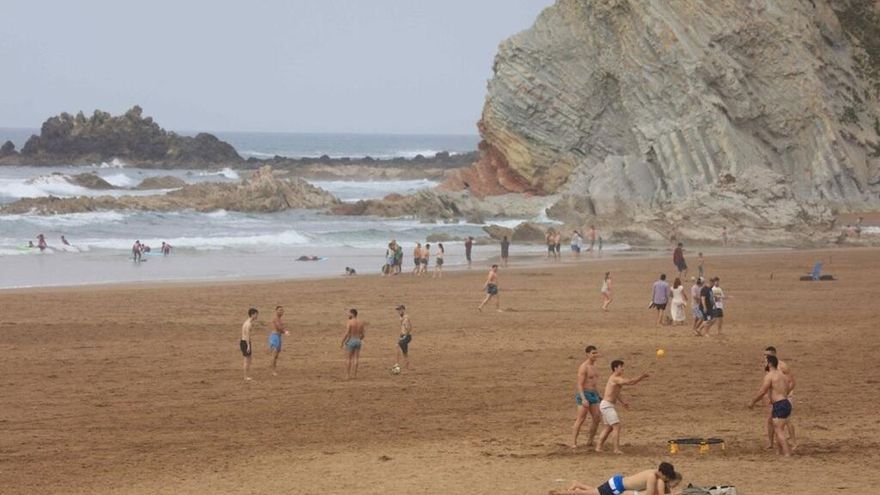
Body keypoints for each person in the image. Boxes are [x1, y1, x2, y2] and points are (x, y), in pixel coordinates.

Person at [595, 360, 649, 454]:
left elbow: (616, 393)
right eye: (621, 367)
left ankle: (598, 447)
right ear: (615, 368)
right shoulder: (615, 378)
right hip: (607, 405)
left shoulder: (616, 379)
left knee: (608, 427)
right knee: (616, 426)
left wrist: (623, 402)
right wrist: (642, 376)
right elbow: (630, 382)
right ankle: (616, 449)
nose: (623, 368)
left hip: (606, 405)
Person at [749, 355, 793, 456]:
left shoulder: (770, 375)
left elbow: (762, 391)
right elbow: (786, 389)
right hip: (786, 403)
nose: (763, 364)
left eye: (765, 362)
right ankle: (780, 452)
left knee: (778, 431)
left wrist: (753, 402)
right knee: (779, 428)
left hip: (779, 404)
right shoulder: (782, 375)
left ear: (769, 363)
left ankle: (787, 453)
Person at [549, 463, 681, 495]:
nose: (665, 480)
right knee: (592, 494)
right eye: (665, 477)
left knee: (596, 491)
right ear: (661, 472)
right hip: (617, 486)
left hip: (618, 482)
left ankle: (578, 484)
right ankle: (565, 492)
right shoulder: (653, 477)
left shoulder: (653, 472)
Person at [764, 346, 797, 450]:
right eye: (764, 355)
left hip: (785, 396)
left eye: (767, 355)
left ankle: (793, 442)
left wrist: (784, 394)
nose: (765, 357)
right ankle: (771, 443)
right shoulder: (768, 366)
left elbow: (792, 382)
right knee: (770, 419)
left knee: (787, 420)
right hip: (775, 397)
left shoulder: (783, 366)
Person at [571, 345, 602, 449]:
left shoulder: (594, 366)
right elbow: (579, 384)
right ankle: (573, 442)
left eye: (596, 353)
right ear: (587, 354)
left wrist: (599, 395)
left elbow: (594, 383)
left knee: (597, 418)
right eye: (593, 353)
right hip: (584, 394)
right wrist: (583, 398)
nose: (595, 355)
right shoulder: (584, 367)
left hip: (593, 394)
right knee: (581, 419)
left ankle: (590, 440)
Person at [341, 308, 365, 379]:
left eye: (349, 313)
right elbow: (363, 335)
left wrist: (342, 342)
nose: (347, 314)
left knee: (348, 358)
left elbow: (347, 333)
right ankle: (355, 375)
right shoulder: (361, 322)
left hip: (351, 340)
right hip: (358, 340)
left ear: (352, 314)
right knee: (356, 358)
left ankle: (347, 375)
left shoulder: (350, 322)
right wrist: (359, 339)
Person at [269, 305, 290, 376]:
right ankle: (273, 371)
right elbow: (279, 327)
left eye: (282, 310)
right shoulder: (276, 319)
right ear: (276, 311)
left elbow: (280, 328)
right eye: (280, 310)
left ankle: (273, 369)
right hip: (274, 337)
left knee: (276, 355)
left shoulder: (279, 319)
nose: (281, 311)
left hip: (278, 337)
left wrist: (283, 331)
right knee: (274, 354)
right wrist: (285, 332)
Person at [240, 308, 258, 381]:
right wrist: (248, 346)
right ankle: (245, 376)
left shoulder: (247, 322)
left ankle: (247, 375)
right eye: (256, 314)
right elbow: (247, 335)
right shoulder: (249, 324)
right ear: (252, 314)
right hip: (245, 342)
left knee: (248, 359)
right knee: (247, 360)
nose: (257, 316)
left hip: (244, 342)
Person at [395, 305, 412, 370]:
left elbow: (410, 327)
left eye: (400, 310)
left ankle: (396, 364)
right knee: (405, 353)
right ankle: (407, 368)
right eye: (398, 310)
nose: (399, 311)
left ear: (403, 310)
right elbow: (402, 328)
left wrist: (405, 335)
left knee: (397, 345)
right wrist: (400, 336)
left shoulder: (406, 318)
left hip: (407, 336)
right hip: (403, 336)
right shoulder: (401, 318)